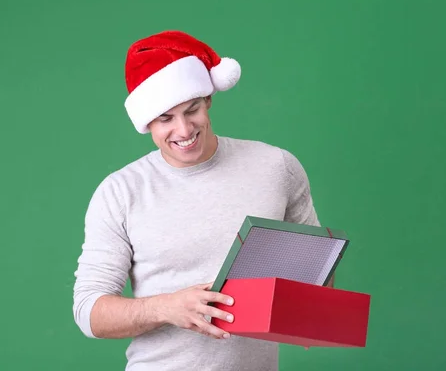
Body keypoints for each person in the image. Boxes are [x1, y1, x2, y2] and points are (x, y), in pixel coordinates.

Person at [72, 30, 331, 371]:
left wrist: (308, 311)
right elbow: (89, 312)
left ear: (208, 99)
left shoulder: (276, 167)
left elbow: (317, 279)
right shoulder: (121, 191)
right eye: (165, 118)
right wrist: (167, 308)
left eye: (191, 110)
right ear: (147, 121)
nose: (183, 130)